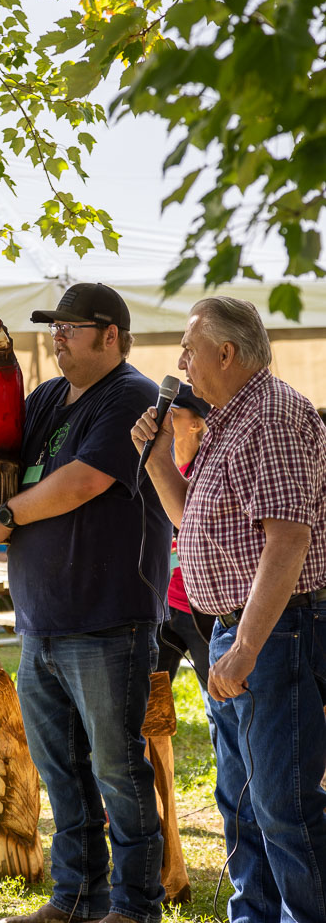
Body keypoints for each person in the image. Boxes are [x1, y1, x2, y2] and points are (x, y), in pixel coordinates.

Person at [0, 283, 172, 923]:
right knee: (61, 772)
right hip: (42, 620)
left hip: (107, 619)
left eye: (70, 326)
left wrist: (6, 515)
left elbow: (83, 481)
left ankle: (134, 908)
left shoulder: (132, 396)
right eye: (52, 326)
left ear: (110, 335)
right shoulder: (43, 399)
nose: (56, 336)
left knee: (118, 771)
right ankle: (76, 898)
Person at [131, 296, 326, 923]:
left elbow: (288, 540)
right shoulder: (230, 420)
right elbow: (194, 522)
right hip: (237, 631)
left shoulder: (272, 416)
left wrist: (245, 646)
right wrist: (159, 459)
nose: (180, 364)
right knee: (242, 805)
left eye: (188, 350)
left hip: (273, 631)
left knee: (283, 806)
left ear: (226, 353)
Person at [154, 383, 216, 746]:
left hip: (201, 609)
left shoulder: (206, 471)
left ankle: (233, 777)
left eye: (173, 414)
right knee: (147, 706)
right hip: (162, 606)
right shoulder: (157, 469)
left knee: (219, 707)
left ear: (196, 423)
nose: (163, 419)